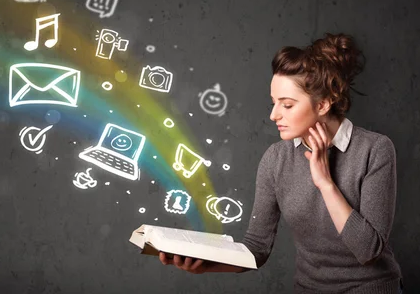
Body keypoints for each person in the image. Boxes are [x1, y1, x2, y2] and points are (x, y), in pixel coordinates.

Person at [159, 33, 404, 293]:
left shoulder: (375, 149)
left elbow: (369, 250)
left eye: (287, 105)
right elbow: (257, 248)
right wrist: (206, 265)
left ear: (322, 104)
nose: (274, 115)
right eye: (274, 102)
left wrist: (325, 183)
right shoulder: (275, 159)